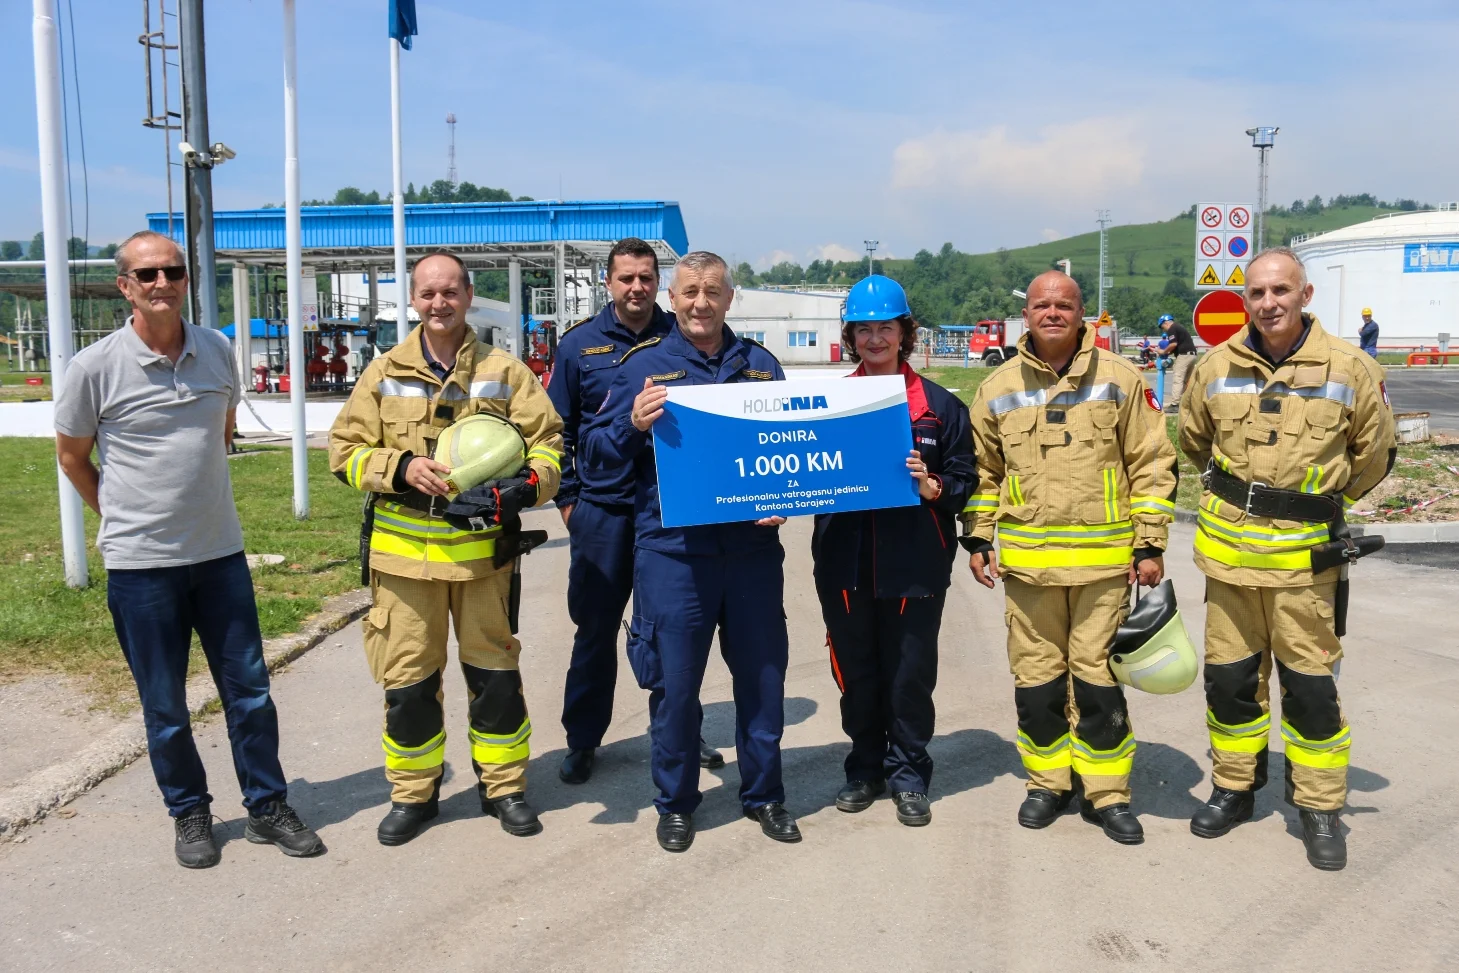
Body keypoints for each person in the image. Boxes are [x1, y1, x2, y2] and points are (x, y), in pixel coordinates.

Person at [54, 230, 324, 869]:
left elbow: (222, 431)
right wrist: (122, 516)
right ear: (125, 286)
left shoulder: (217, 349)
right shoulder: (93, 367)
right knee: (166, 704)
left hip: (219, 556)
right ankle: (190, 812)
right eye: (147, 274)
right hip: (141, 568)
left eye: (172, 272)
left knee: (250, 693)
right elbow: (71, 457)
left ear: (185, 280)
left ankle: (267, 806)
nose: (162, 283)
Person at [328, 250, 565, 846]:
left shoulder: (506, 372)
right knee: (408, 682)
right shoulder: (382, 373)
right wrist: (400, 467)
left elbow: (549, 443)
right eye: (428, 293)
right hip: (404, 561)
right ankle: (414, 795)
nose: (440, 303)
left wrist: (527, 485)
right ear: (413, 299)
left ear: (468, 296)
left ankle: (504, 789)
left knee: (495, 676)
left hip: (483, 556)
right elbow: (344, 451)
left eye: (450, 292)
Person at [1178, 247, 1394, 870]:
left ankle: (1319, 806)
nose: (1269, 303)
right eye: (1257, 292)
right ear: (1245, 299)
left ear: (1305, 294)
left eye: (1281, 290)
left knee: (1310, 690)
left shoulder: (1350, 367)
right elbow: (1194, 440)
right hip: (1229, 560)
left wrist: (1319, 500)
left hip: (1306, 567)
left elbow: (1375, 452)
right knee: (1231, 685)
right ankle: (1233, 788)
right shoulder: (1214, 365)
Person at [580, 251, 797, 853]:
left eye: (713, 291)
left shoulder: (761, 367)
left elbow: (786, 451)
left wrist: (783, 497)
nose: (701, 303)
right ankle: (675, 803)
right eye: (690, 292)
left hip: (751, 553)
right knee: (674, 687)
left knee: (763, 679)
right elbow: (593, 454)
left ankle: (765, 795)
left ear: (730, 298)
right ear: (671, 299)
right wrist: (629, 423)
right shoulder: (643, 367)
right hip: (673, 554)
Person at [962, 271, 1177, 845]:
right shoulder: (998, 387)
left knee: (1098, 681)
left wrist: (1150, 542)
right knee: (1037, 682)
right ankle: (1048, 784)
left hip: (1104, 568)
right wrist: (978, 537)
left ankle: (1107, 793)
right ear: (1026, 315)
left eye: (1064, 304)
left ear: (1083, 314)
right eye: (1041, 305)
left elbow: (1152, 462)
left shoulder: (1121, 379)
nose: (1052, 313)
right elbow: (983, 471)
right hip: (1029, 568)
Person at [547, 238, 722, 785]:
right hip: (601, 513)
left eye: (646, 278)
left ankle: (681, 733)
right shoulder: (578, 346)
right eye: (626, 278)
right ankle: (583, 739)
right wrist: (569, 502)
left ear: (659, 284)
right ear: (608, 283)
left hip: (666, 512)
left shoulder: (681, 336)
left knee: (673, 631)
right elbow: (557, 431)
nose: (637, 288)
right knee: (595, 630)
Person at [811, 276, 975, 827]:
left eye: (886, 327)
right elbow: (796, 466)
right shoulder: (826, 404)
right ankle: (864, 768)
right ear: (851, 336)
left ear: (906, 332)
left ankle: (908, 774)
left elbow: (966, 480)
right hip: (844, 561)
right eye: (864, 329)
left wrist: (934, 487)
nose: (875, 338)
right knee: (856, 672)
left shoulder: (940, 407)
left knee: (909, 676)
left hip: (915, 564)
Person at [1157, 313, 1199, 413]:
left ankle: (1175, 404)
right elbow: (1177, 345)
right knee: (1186, 381)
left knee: (1178, 379)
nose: (1163, 330)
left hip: (1184, 356)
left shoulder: (1172, 328)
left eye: (1162, 327)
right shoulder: (1179, 327)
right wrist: (1169, 352)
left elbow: (1173, 344)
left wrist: (1163, 352)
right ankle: (1186, 402)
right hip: (1192, 355)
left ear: (1166, 323)